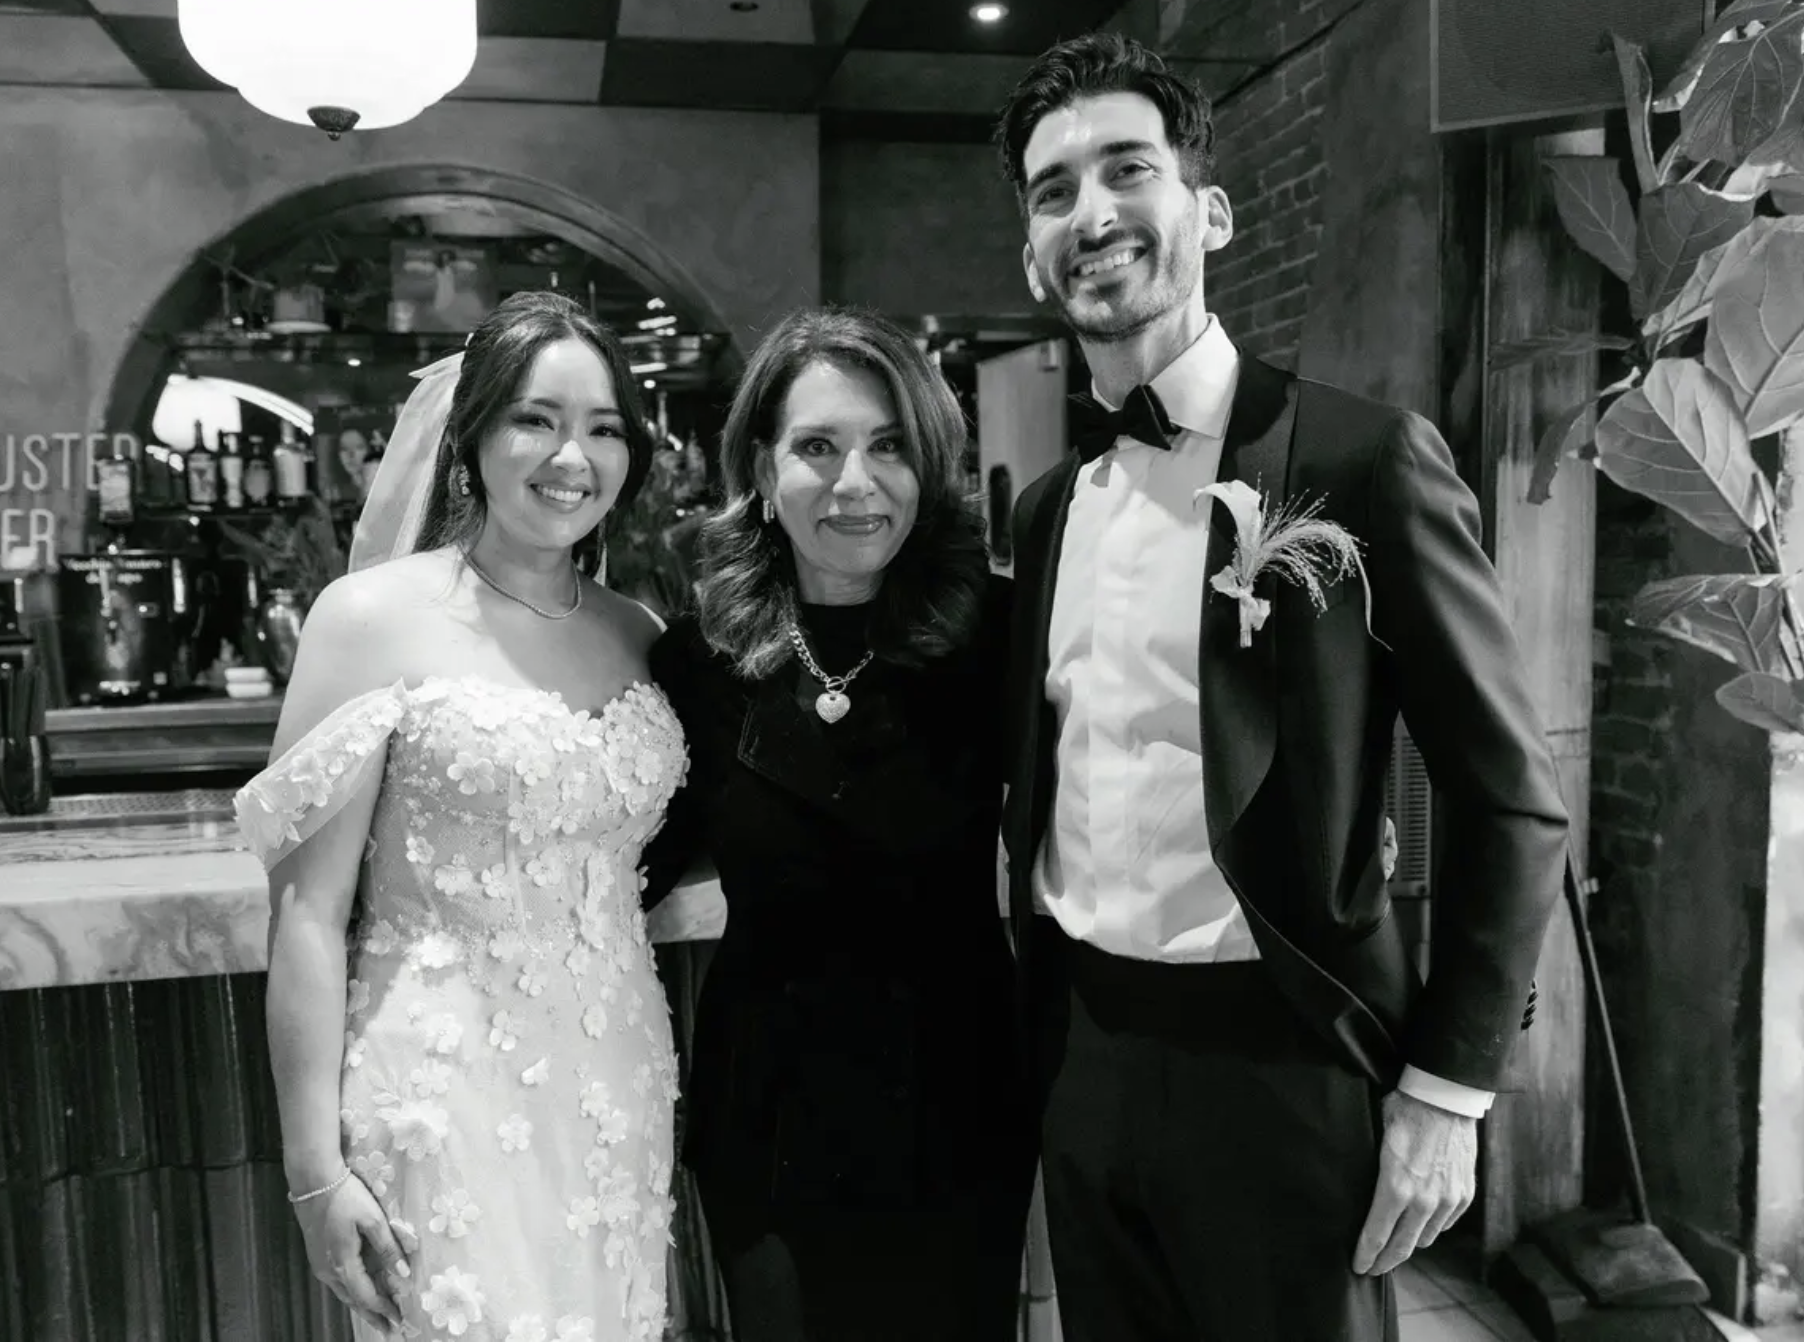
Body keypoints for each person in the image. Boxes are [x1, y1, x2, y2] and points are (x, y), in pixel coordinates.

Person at [993, 34, 1569, 1342]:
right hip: (1084, 1051)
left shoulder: (1361, 460)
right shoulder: (1046, 512)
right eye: (1053, 190)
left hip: (1285, 1055)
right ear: (1032, 254)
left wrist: (1451, 1084)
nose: (1091, 213)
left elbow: (1511, 796)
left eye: (1127, 169)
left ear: (1209, 212)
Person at [234, 291, 687, 1341]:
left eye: (604, 428)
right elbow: (308, 914)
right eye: (536, 419)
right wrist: (314, 1172)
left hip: (616, 1077)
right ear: (472, 434)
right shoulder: (369, 618)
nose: (572, 457)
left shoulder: (639, 633)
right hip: (441, 1092)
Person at [641, 307, 1034, 1341]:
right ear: (761, 470)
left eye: (888, 445)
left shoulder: (997, 634)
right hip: (767, 1112)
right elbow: (629, 863)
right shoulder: (695, 660)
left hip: (957, 1100)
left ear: (928, 467)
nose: (855, 482)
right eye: (817, 446)